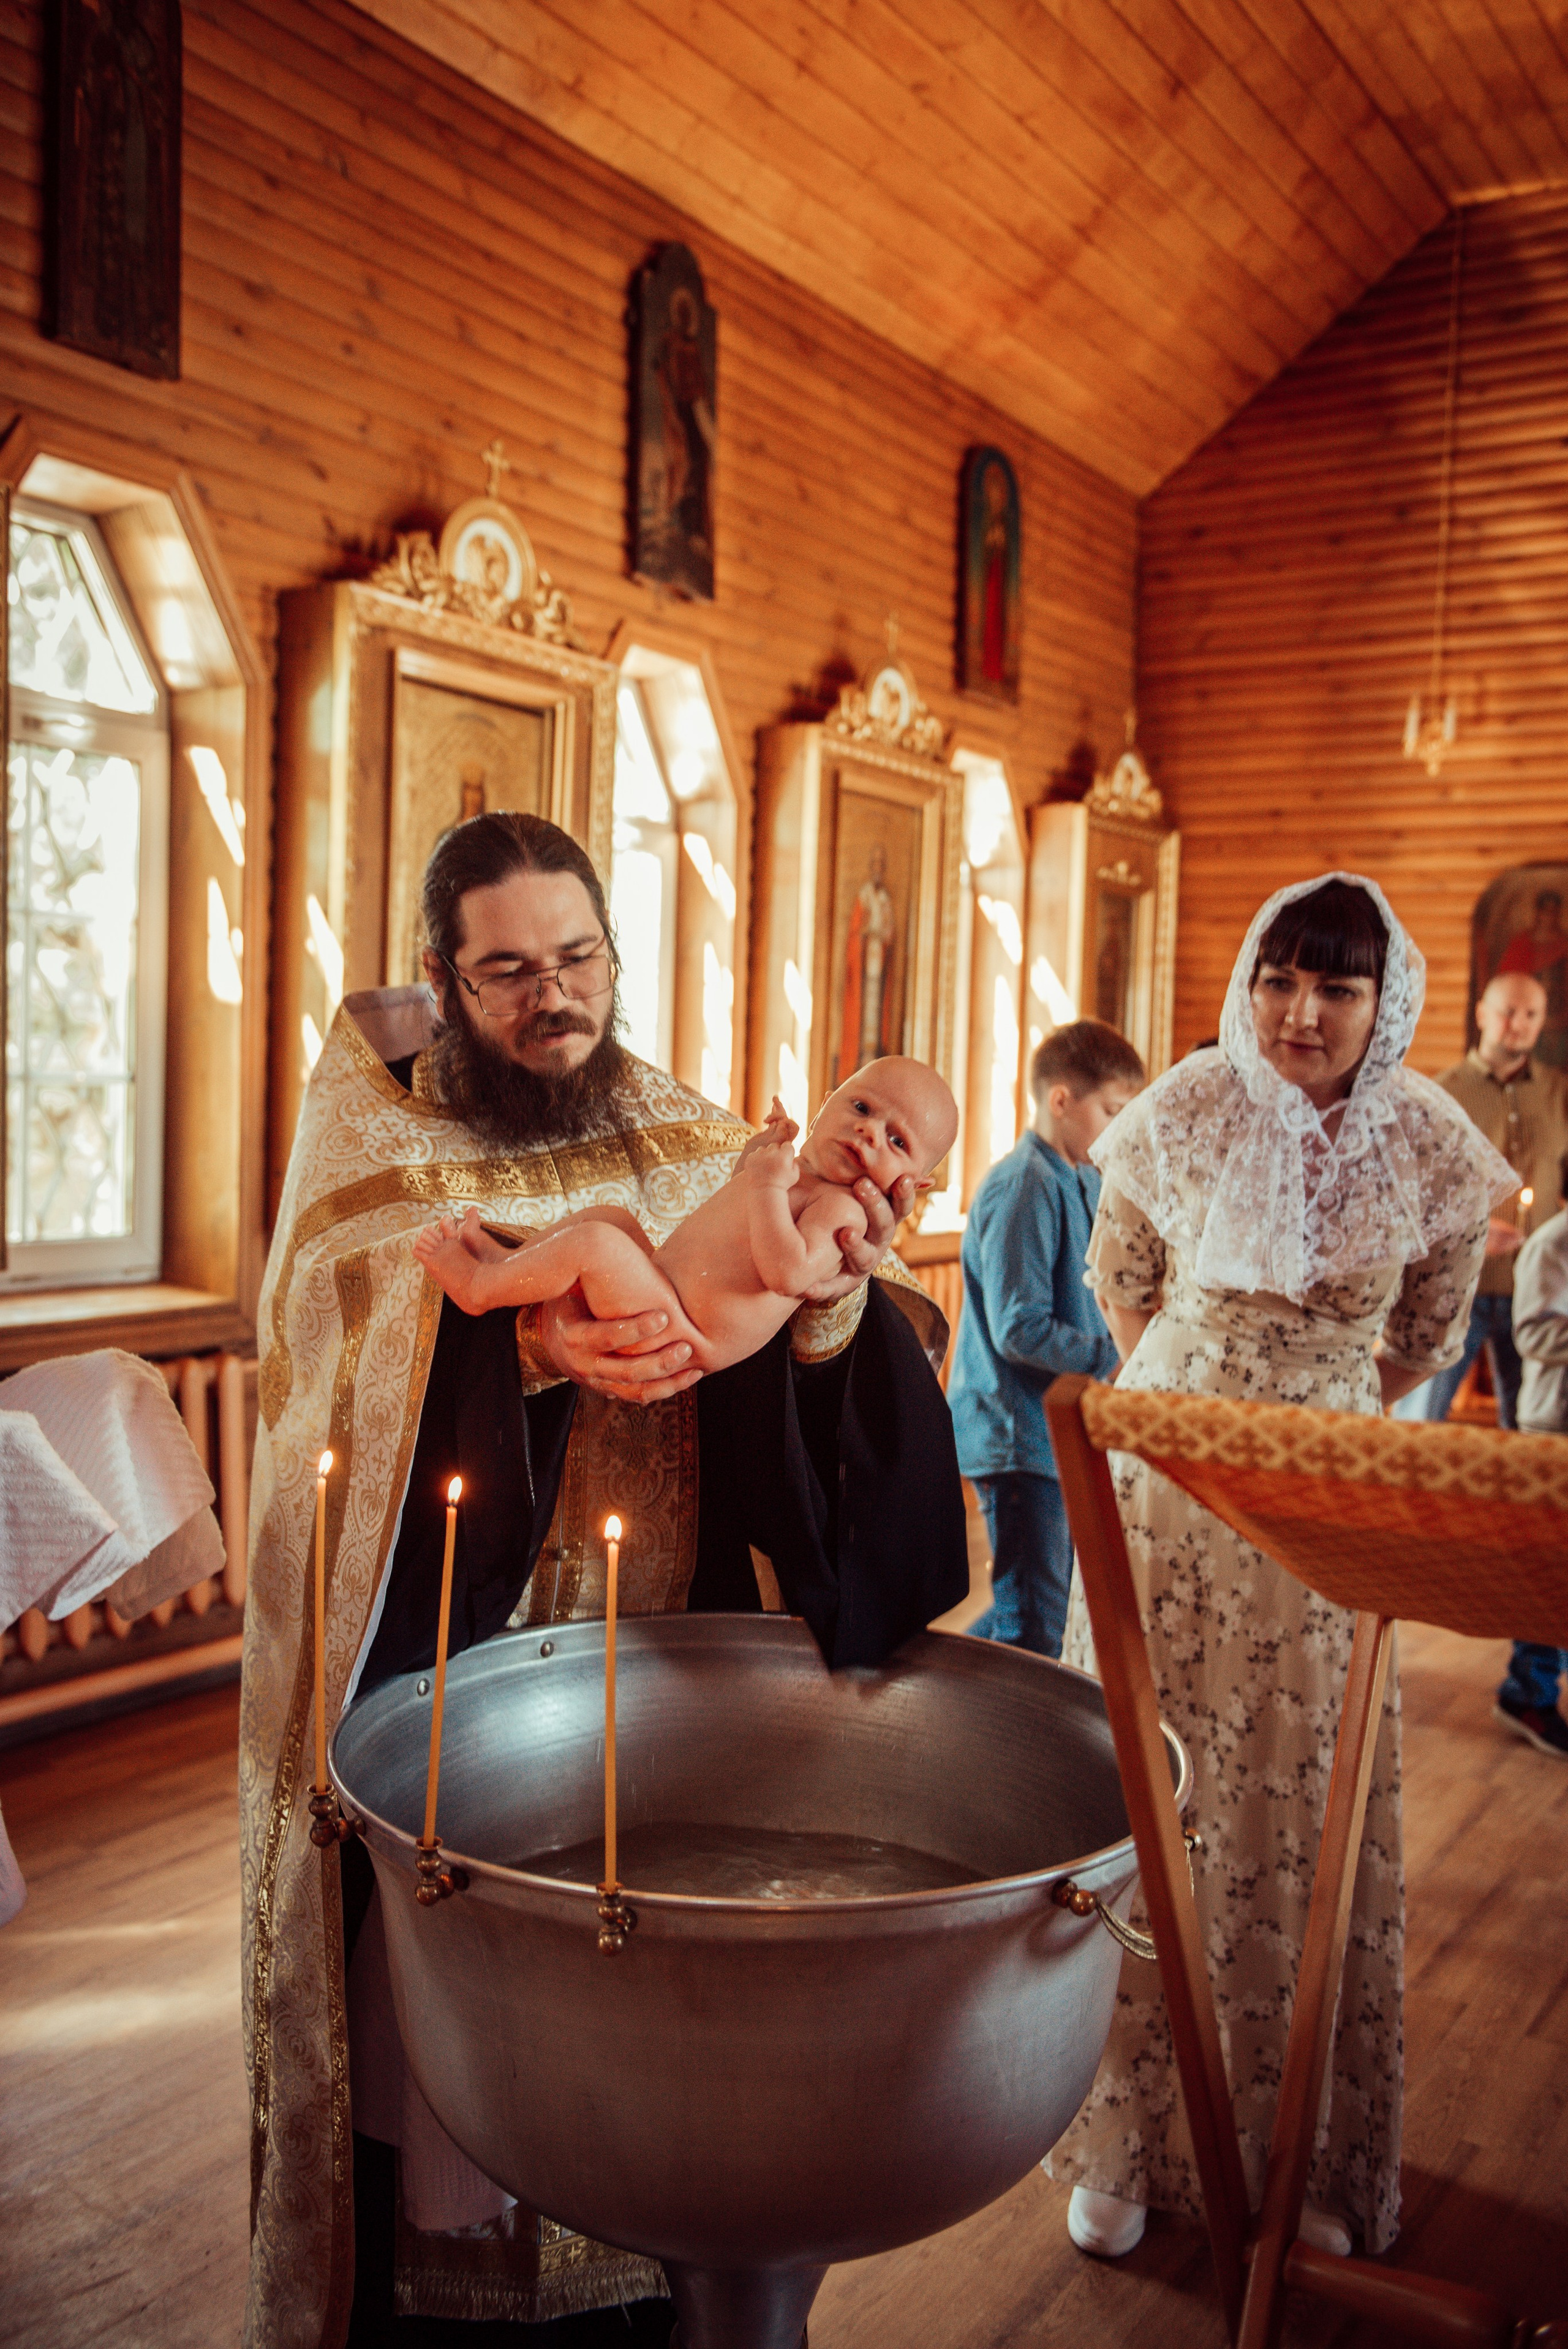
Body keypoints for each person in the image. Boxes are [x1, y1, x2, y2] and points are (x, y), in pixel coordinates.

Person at [241, 811, 967, 2349]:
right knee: (444, 2109)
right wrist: (506, 1344)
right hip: (454, 1698)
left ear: (613, 956)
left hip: (659, 1710)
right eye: (505, 969)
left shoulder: (690, 1126)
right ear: (441, 977)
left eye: (576, 957)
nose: (549, 994)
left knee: (657, 2140)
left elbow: (837, 1343)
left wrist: (833, 1303)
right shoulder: (367, 1143)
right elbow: (315, 1375)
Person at [1044, 874, 1515, 2266]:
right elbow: (1118, 1270)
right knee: (1137, 1793)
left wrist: (1300, 1407)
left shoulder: (1427, 1142)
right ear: (1248, 978)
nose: (1301, 1011)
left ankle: (1298, 2144)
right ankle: (1120, 2132)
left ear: (1384, 1004)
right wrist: (1193, 1396)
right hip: (1161, 1477)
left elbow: (1423, 1330)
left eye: (1336, 986)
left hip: (1322, 1491)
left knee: (1295, 1810)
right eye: (1280, 978)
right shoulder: (1182, 1104)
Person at [415, 1061, 958, 1373]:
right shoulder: (796, 1171)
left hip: (684, 1328)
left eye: (897, 1139)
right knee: (610, 1218)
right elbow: (738, 1206)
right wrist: (758, 1158)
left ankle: (481, 1285)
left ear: (913, 1183)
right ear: (823, 1104)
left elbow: (790, 1275)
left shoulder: (843, 1210)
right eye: (861, 1108)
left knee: (599, 1246)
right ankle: (509, 1259)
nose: (869, 1132)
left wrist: (769, 1183)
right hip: (666, 1288)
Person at [947, 1021, 1144, 1656]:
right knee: (1035, 1622)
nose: (1118, 1129)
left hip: (1052, 1434)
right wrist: (1118, 1357)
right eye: (1111, 1112)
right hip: (1014, 1435)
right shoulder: (1023, 1183)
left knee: (1035, 1606)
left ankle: (932, 1692)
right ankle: (971, 1744)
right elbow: (1018, 1327)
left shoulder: (1079, 1177)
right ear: (1061, 1100)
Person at [1395, 970, 1568, 1429]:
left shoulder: (1559, 1092)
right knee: (1421, 1421)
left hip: (1537, 1294)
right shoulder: (1445, 1091)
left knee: (1529, 1433)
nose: (1520, 1023)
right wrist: (1470, 1228)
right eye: (1509, 1011)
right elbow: (1411, 1190)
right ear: (1483, 1015)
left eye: (1532, 1014)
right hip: (1458, 1286)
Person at [1500, 1157, 1568, 1755]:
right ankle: (1528, 1693)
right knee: (1553, 1569)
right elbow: (1534, 1334)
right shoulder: (1551, 1245)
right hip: (1553, 1425)